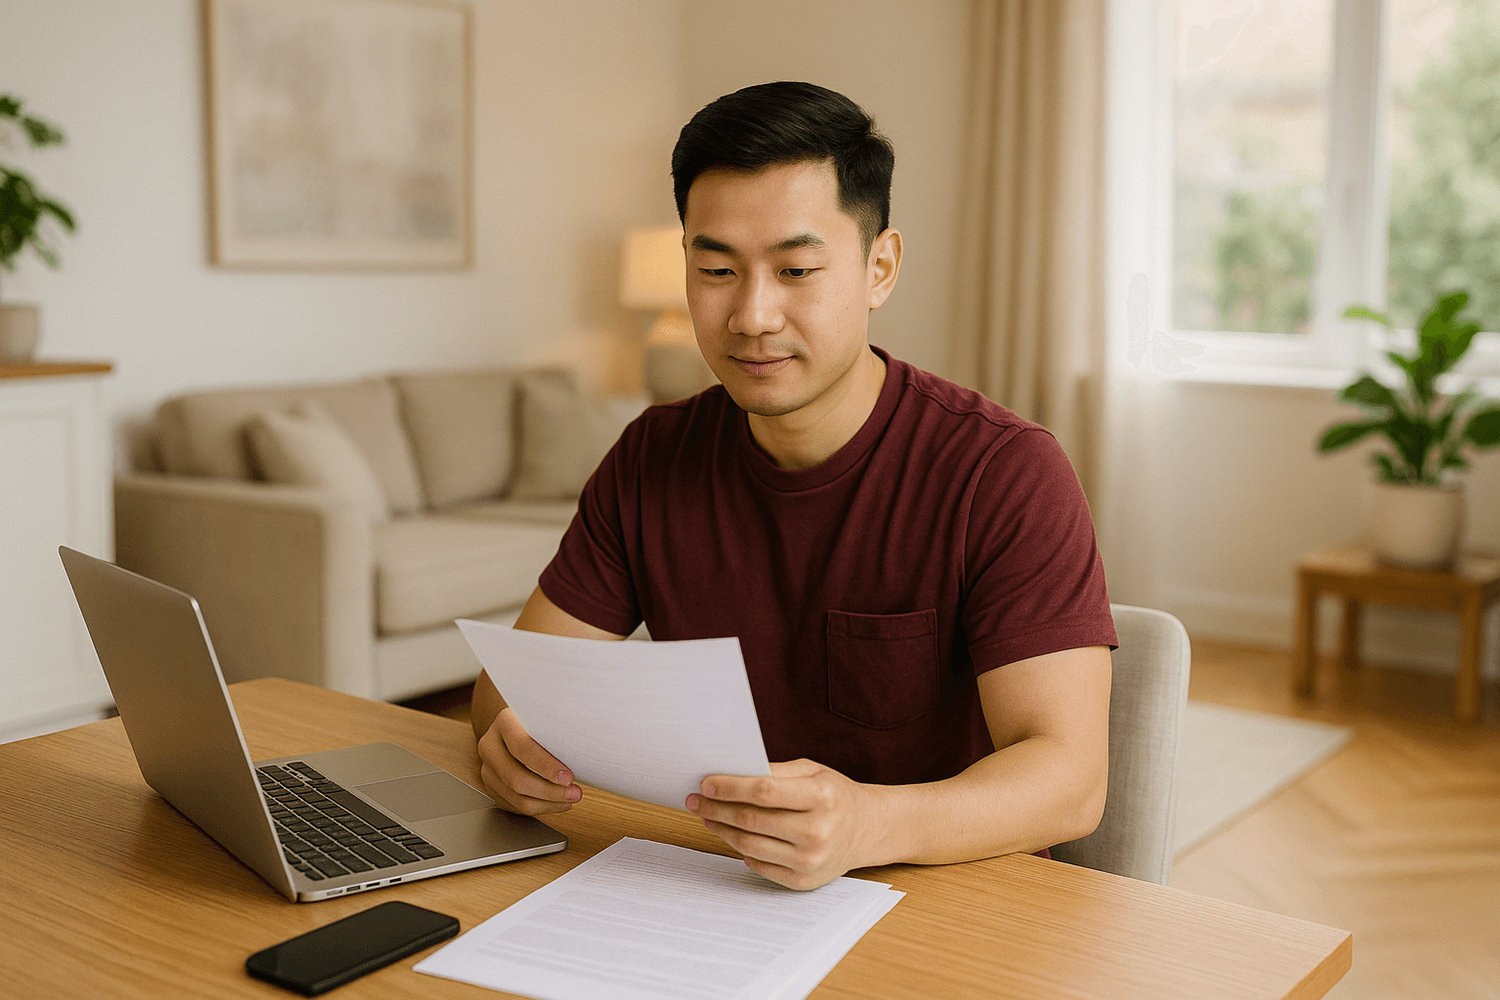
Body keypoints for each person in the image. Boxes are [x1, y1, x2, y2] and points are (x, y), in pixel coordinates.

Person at [472, 81, 1117, 891]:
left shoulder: (1004, 473)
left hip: (949, 894)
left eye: (797, 269)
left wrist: (870, 823)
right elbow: (515, 682)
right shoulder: (653, 457)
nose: (752, 315)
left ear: (879, 268)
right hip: (724, 892)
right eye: (716, 269)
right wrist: (507, 740)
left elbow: (1070, 780)